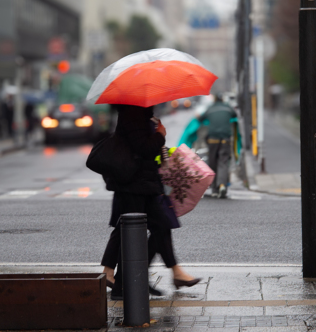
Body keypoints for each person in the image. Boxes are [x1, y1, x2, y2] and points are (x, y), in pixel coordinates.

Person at [100, 105, 200, 299]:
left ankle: (129, 279)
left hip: (143, 182)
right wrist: (160, 135)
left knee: (148, 228)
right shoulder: (133, 113)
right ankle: (127, 281)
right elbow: (143, 148)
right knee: (141, 229)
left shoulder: (140, 114)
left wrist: (156, 132)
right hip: (135, 183)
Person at [199, 95, 238, 198]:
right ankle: (222, 185)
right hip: (225, 139)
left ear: (215, 100)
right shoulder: (227, 107)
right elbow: (234, 115)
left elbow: (201, 118)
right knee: (223, 162)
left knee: (213, 163)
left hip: (212, 139)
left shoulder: (210, 108)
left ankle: (214, 190)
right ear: (223, 99)